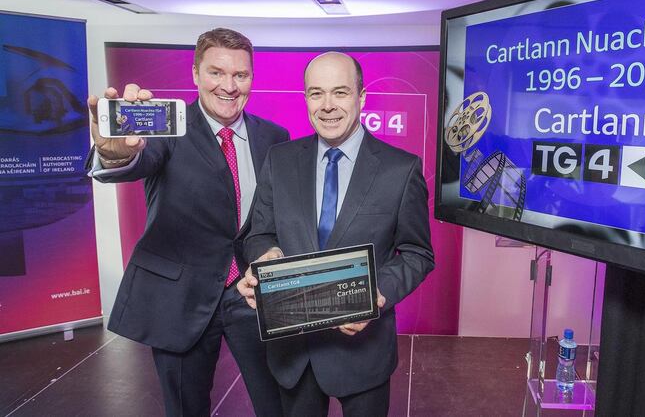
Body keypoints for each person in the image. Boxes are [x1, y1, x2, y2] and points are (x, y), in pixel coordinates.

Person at [86, 28, 287, 416]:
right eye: (216, 72)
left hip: (253, 293)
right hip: (180, 297)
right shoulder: (164, 128)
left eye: (240, 75)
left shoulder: (275, 137)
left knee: (277, 404)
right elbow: (134, 160)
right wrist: (113, 153)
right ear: (195, 74)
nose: (229, 86)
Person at [237, 51, 434, 416]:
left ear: (361, 97)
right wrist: (266, 256)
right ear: (306, 98)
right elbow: (257, 234)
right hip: (294, 352)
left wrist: (377, 294)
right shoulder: (279, 160)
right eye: (317, 93)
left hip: (363, 352)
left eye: (340, 92)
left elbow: (417, 253)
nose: (327, 105)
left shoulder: (400, 170)